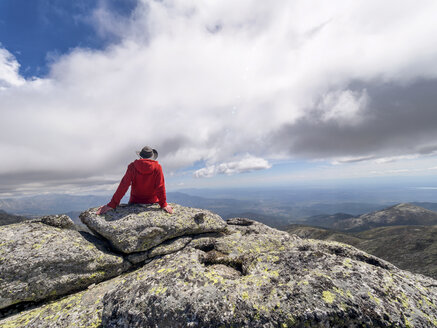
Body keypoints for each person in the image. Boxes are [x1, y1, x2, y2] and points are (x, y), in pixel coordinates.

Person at [96, 146, 173, 215]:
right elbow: (160, 187)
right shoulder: (157, 168)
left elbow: (124, 185)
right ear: (152, 157)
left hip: (135, 201)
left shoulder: (132, 167)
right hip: (152, 201)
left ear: (140, 156)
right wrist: (164, 204)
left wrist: (112, 204)